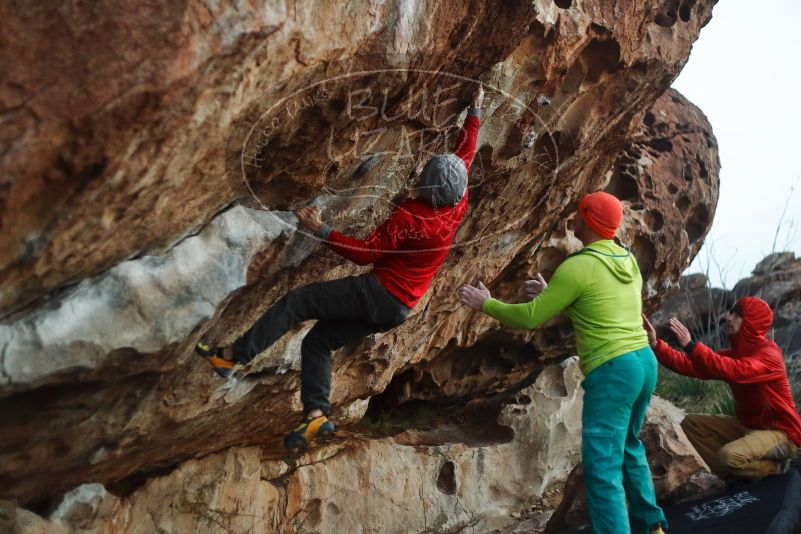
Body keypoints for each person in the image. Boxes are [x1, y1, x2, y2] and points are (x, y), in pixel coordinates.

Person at [197, 85, 484, 449]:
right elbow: (466, 156)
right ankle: (316, 417)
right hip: (399, 308)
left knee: (298, 302)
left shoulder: (410, 216)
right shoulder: (457, 206)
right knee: (318, 342)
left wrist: (320, 229)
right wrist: (474, 112)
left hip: (379, 293)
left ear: (424, 186)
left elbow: (367, 254)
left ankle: (233, 356)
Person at [459, 191, 667, 534]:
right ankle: (653, 527)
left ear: (586, 220)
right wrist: (551, 293)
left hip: (613, 371)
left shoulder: (577, 266)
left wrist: (487, 303)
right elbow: (596, 303)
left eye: (580, 212)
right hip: (644, 362)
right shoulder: (626, 259)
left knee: (602, 469)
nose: (575, 217)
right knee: (630, 446)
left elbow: (528, 318)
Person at [643, 297, 801, 479]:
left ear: (752, 323)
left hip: (781, 433)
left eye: (738, 315)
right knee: (692, 425)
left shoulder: (769, 355)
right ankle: (735, 472)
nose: (729, 317)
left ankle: (772, 469)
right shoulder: (733, 355)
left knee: (730, 456)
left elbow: (737, 371)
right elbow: (691, 365)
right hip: (747, 426)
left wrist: (692, 346)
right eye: (731, 312)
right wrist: (657, 345)